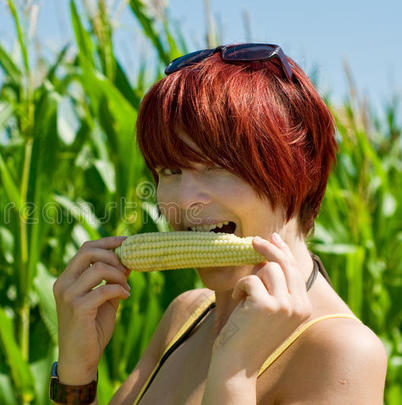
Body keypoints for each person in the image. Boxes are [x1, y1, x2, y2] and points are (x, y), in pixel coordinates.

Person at [51, 43, 387, 405]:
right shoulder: (188, 313)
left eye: (217, 167)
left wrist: (235, 370)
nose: (184, 200)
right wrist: (76, 374)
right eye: (171, 170)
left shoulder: (342, 352)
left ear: (299, 172)